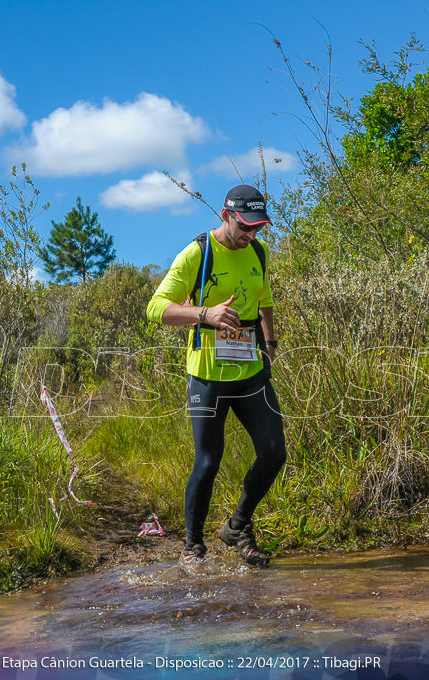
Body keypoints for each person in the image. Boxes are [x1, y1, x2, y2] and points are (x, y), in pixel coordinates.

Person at [145, 184, 286, 568]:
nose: (251, 234)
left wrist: (269, 342)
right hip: (208, 375)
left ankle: (238, 526)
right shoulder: (197, 253)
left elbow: (265, 299)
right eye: (245, 226)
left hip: (251, 370)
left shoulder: (258, 250)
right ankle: (193, 547)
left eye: (257, 228)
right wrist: (204, 314)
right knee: (209, 460)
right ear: (225, 215)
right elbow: (156, 308)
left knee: (274, 452)